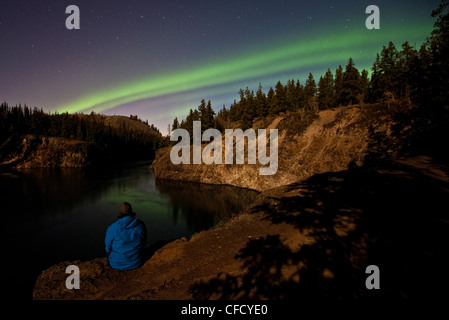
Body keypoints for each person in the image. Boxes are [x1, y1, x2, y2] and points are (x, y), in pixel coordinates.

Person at [105, 202, 147, 270]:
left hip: (116, 264)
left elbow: (108, 248)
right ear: (131, 211)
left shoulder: (112, 228)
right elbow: (144, 242)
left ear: (120, 213)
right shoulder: (141, 225)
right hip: (137, 262)